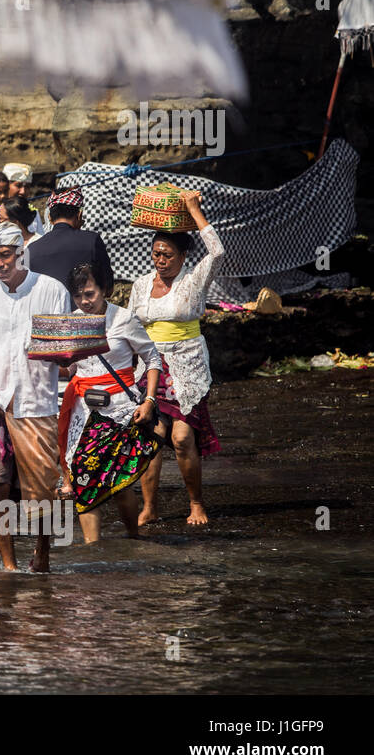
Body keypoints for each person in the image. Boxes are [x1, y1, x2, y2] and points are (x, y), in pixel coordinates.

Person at [0, 221, 74, 572]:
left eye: (5, 255)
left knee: (43, 493)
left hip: (37, 402)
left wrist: (48, 351)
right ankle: (8, 564)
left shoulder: (50, 290)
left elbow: (65, 351)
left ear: (22, 253)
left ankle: (42, 554)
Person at [128, 190, 223, 527]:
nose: (161, 260)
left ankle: (196, 504)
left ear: (184, 255)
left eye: (167, 254)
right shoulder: (140, 285)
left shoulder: (193, 281)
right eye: (156, 254)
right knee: (151, 436)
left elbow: (218, 250)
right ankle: (150, 507)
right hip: (150, 369)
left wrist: (194, 210)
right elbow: (129, 328)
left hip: (187, 367)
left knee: (182, 437)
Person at [60, 262, 161, 543]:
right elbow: (69, 370)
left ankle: (132, 537)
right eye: (78, 295)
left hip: (120, 411)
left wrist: (149, 401)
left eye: (90, 293)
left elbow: (152, 359)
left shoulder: (124, 319)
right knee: (82, 479)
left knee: (118, 484)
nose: (84, 301)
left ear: (105, 289)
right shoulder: (71, 323)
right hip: (83, 412)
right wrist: (53, 361)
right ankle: (94, 551)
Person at [26, 186, 113, 292]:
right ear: (79, 215)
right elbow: (108, 288)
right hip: (86, 308)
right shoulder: (92, 240)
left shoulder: (31, 249)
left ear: (49, 218)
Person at [2, 162, 45, 235]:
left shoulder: (33, 213)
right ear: (6, 186)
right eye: (18, 185)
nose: (23, 192)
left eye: (27, 187)